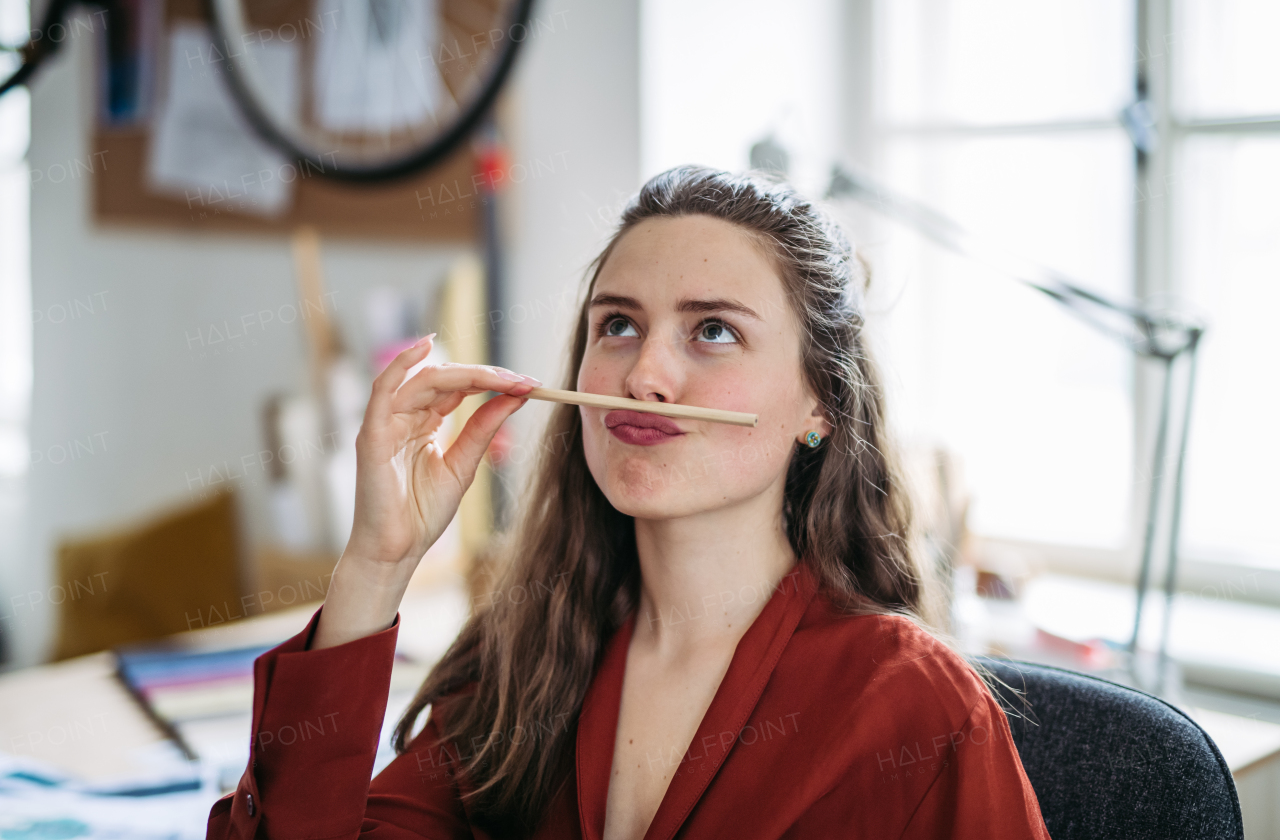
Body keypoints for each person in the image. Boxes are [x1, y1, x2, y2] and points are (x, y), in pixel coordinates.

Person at [206, 166, 1051, 840]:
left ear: (820, 403)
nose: (644, 374)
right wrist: (376, 566)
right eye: (617, 325)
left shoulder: (915, 708)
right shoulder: (523, 656)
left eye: (712, 329)